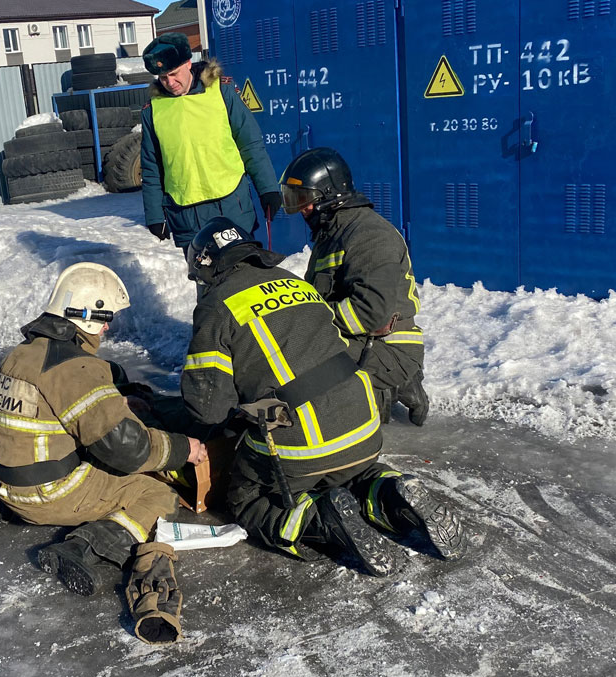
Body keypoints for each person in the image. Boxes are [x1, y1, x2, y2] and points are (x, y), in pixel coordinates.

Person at [180, 218, 465, 574]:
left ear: (206, 268)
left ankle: (317, 519)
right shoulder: (296, 282)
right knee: (353, 473)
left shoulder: (216, 306)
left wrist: (245, 403)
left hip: (301, 447)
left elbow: (207, 408)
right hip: (363, 429)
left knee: (246, 497)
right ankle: (387, 492)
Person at [0, 262, 207, 597]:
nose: (107, 330)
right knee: (157, 495)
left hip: (3, 483)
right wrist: (183, 448)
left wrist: (117, 400)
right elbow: (128, 450)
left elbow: (48, 408)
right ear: (86, 316)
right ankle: (85, 547)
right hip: (49, 494)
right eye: (105, 320)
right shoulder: (75, 368)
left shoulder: (22, 354)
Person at [279, 147, 430, 426]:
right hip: (362, 340)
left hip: (388, 347)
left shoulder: (368, 235)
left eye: (305, 200)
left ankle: (387, 387)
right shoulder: (334, 233)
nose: (302, 209)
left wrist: (308, 320)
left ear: (329, 195)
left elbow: (371, 313)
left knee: (297, 364)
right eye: (295, 200)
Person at [140, 32, 282, 253]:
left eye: (174, 73)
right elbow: (151, 168)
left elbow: (250, 144)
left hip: (231, 207)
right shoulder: (153, 110)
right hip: (186, 216)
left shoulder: (222, 91)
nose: (170, 82)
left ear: (188, 63)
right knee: (205, 282)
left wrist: (268, 189)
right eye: (163, 77)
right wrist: (155, 215)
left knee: (242, 274)